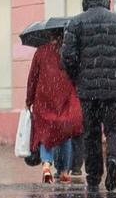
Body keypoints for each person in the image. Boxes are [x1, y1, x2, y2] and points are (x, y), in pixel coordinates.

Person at [60, 0, 116, 192]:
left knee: (91, 133)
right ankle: (113, 158)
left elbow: (67, 56)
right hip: (112, 89)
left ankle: (94, 175)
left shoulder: (75, 23)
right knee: (114, 130)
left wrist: (78, 77)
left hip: (87, 91)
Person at [25, 37, 83, 184]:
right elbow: (77, 75)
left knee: (45, 133)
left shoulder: (41, 51)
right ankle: (64, 171)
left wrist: (29, 100)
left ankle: (46, 165)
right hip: (65, 99)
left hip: (44, 98)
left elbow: (32, 78)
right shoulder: (69, 51)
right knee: (65, 134)